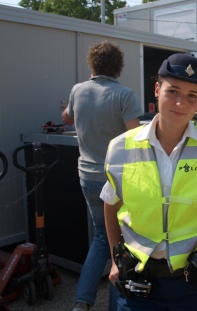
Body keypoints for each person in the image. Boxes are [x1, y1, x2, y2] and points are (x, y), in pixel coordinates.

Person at [101, 54, 197, 311]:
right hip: (139, 281)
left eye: (191, 96)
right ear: (156, 89)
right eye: (172, 91)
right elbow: (110, 203)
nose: (180, 103)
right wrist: (115, 259)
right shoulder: (121, 147)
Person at [62, 41, 144, 311]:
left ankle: (82, 302)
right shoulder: (125, 95)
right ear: (119, 67)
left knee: (101, 237)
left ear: (91, 64)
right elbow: (137, 136)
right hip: (117, 179)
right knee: (121, 242)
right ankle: (115, 304)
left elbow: (67, 118)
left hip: (87, 176)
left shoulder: (78, 90)